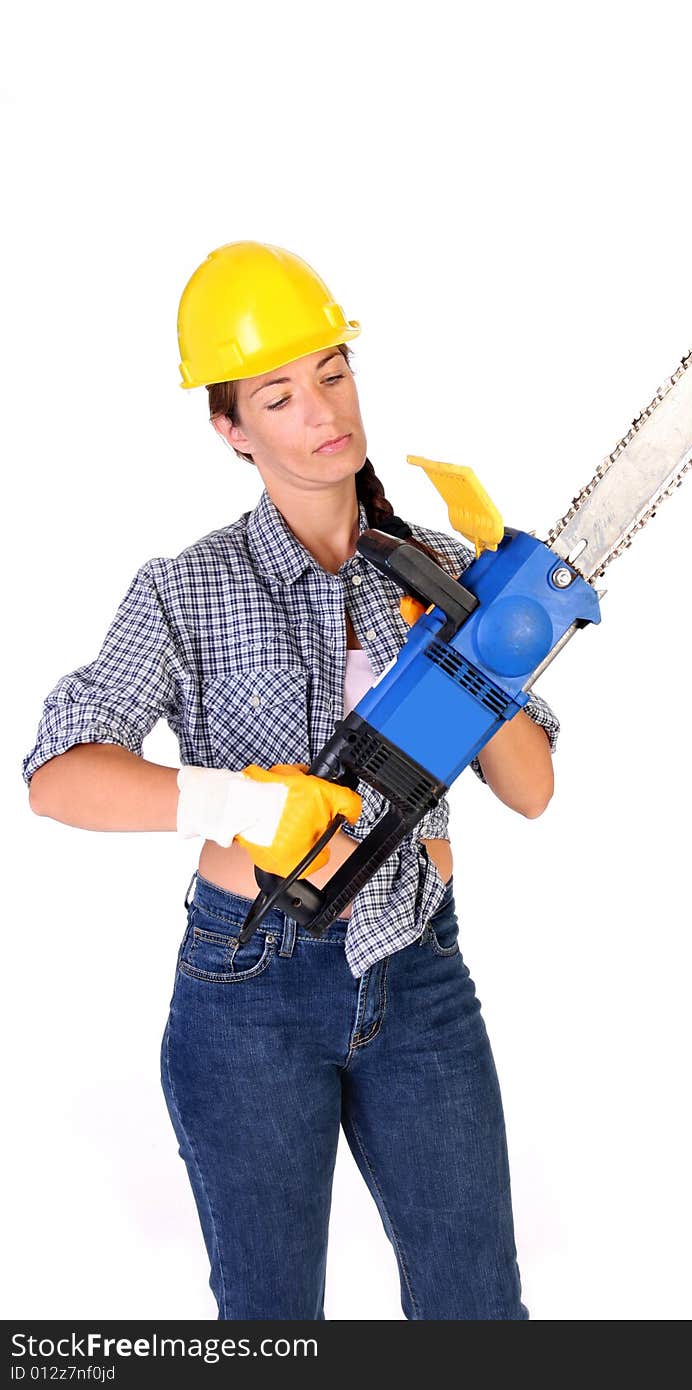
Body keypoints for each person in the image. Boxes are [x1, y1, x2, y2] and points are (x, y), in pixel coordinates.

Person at [23, 241, 562, 1321]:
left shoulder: (439, 563)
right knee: (271, 1323)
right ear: (232, 428)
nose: (321, 410)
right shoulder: (186, 590)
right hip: (248, 992)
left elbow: (530, 787)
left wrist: (481, 643)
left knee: (477, 1307)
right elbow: (57, 774)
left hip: (419, 973)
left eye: (332, 371)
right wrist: (238, 803)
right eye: (277, 393)